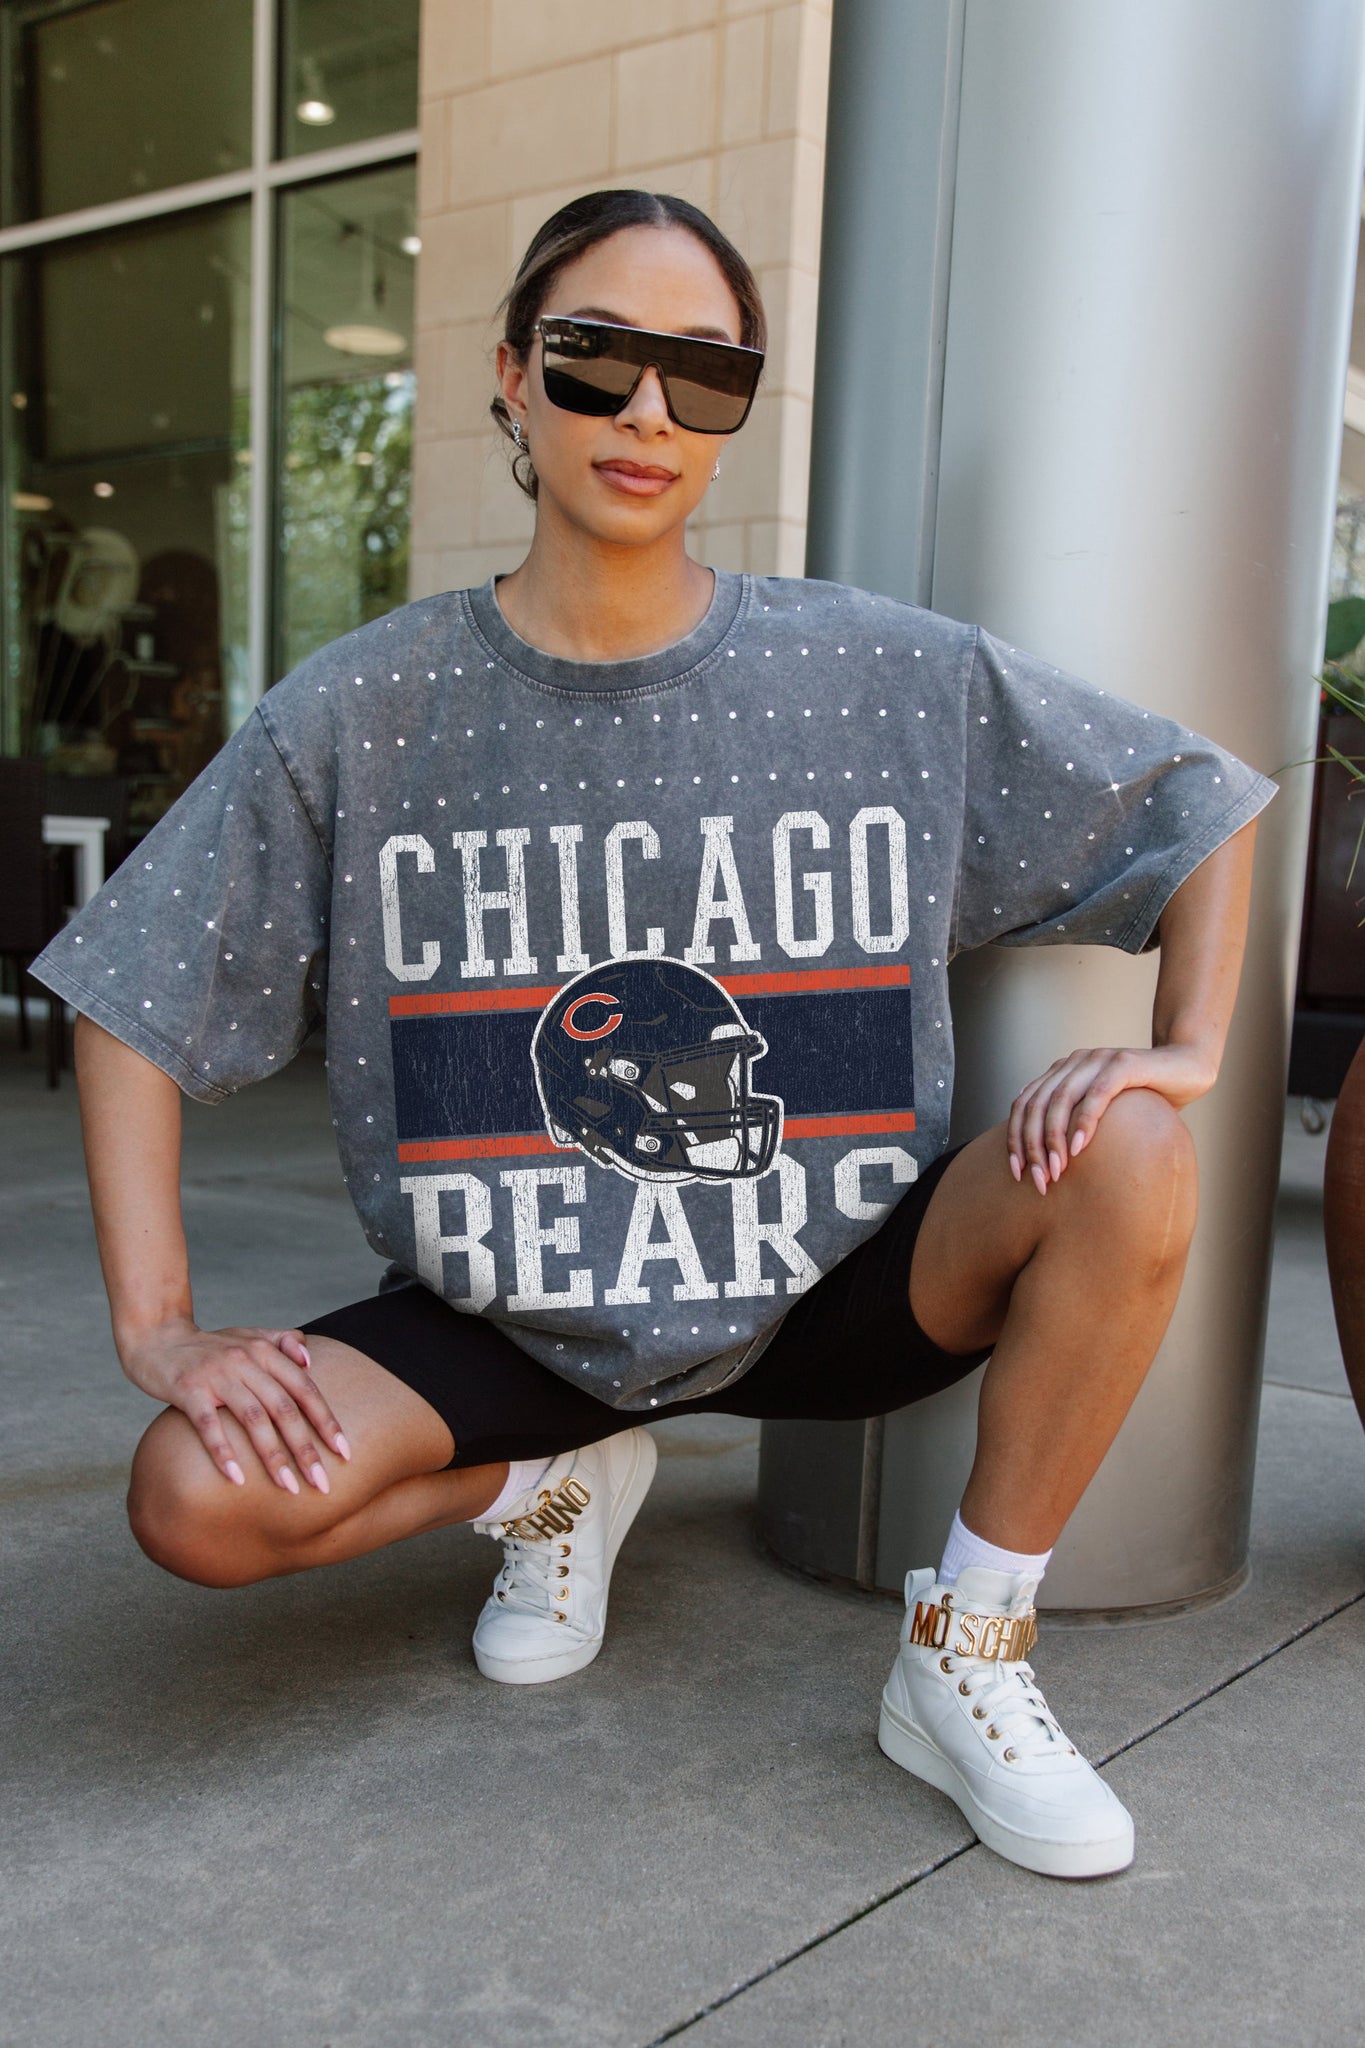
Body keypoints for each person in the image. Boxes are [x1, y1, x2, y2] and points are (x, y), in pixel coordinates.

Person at [34, 189, 1274, 1883]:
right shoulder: (369, 707)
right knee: (194, 1495)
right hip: (514, 1308)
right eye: (595, 357)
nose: (645, 412)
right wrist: (161, 1327)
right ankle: (547, 1488)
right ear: (511, 375)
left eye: (704, 374)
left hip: (833, 1286)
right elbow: (134, 980)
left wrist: (1183, 1051)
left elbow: (1198, 802)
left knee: (1128, 1148)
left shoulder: (870, 671)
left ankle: (967, 1649)